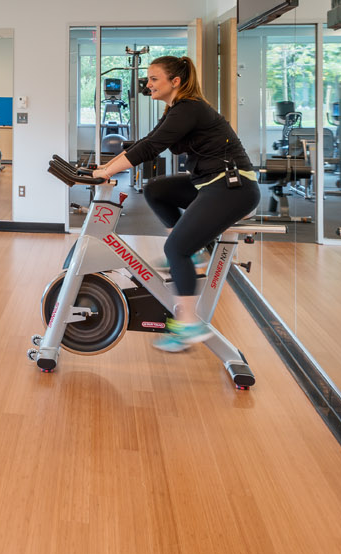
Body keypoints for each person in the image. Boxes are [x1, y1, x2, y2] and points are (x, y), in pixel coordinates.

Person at [90, 55, 260, 352]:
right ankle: (191, 258)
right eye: (148, 78)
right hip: (209, 184)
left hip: (233, 188)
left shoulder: (189, 109)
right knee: (157, 190)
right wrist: (100, 169)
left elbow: (152, 148)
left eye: (154, 78)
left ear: (175, 81)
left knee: (175, 249)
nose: (148, 83)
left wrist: (105, 171)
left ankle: (188, 324)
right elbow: (147, 141)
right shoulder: (175, 110)